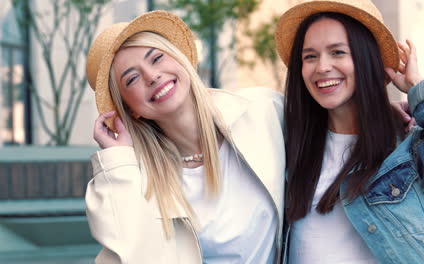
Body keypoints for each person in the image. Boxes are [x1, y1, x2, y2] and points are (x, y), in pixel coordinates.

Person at [84, 11, 286, 263]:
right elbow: (132, 255)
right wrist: (117, 161)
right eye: (132, 78)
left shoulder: (263, 111)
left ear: (181, 61)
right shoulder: (133, 176)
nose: (152, 76)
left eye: (156, 58)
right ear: (130, 109)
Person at [275, 0, 424, 263]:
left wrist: (418, 88)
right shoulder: (289, 144)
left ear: (366, 59)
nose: (322, 67)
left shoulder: (403, 151)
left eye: (338, 52)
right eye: (310, 56)